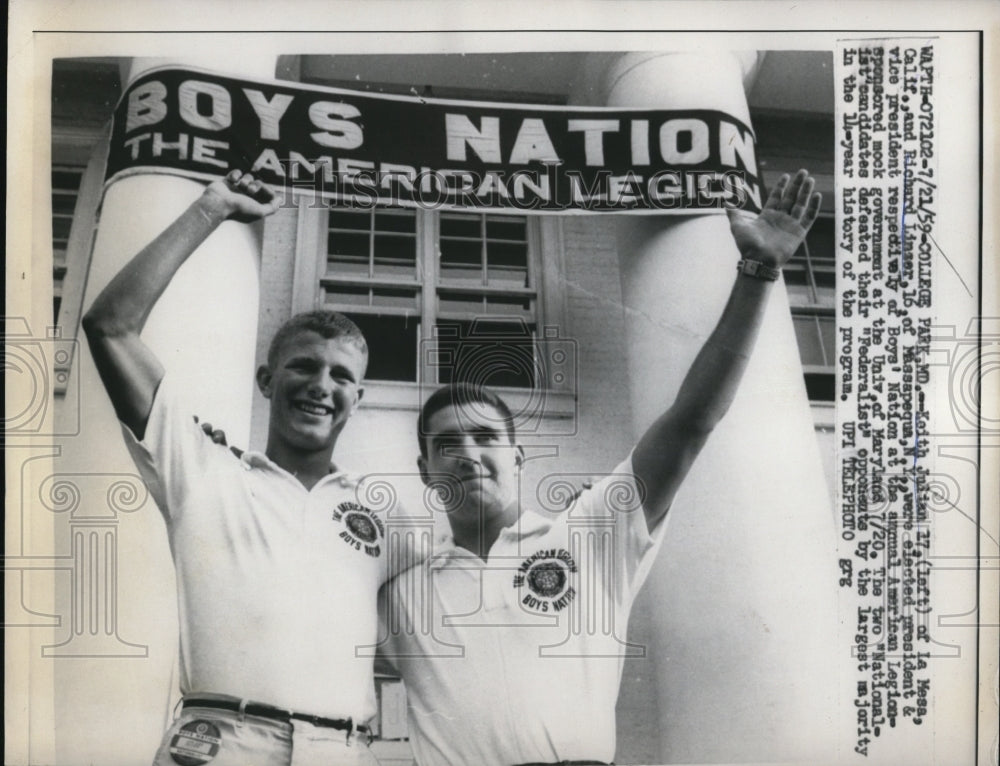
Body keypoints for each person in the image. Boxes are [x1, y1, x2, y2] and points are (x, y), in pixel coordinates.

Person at [377, 170, 823, 766]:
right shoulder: (400, 589)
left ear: (516, 457)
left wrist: (759, 271)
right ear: (426, 469)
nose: (467, 454)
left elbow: (691, 421)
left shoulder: (590, 535)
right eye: (447, 444)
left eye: (485, 437)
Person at [83, 170, 392, 766]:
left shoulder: (384, 514)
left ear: (359, 397)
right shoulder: (203, 469)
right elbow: (110, 327)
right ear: (267, 379)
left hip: (343, 750)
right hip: (221, 743)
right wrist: (212, 207)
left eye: (342, 377)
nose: (321, 387)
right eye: (303, 366)